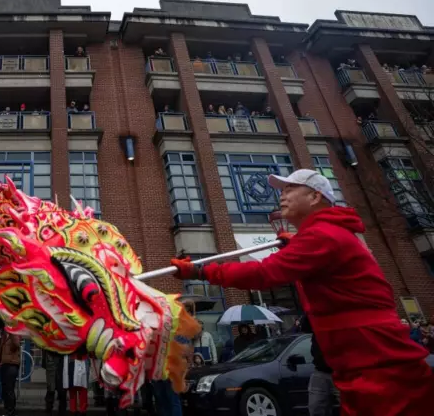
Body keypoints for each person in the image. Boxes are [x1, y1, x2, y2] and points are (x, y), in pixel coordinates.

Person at [170, 168, 434, 415]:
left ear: (315, 196)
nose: (282, 194)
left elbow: (265, 273)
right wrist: (296, 244)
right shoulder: (324, 234)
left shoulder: (322, 235)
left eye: (290, 188)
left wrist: (201, 271)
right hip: (358, 355)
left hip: (373, 355)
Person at [302, 316, 340, 416]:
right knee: (316, 408)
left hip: (342, 370)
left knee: (353, 408)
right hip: (320, 370)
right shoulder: (316, 308)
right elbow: (305, 327)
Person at [0, 327, 21, 416]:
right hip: (4, 364)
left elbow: (16, 345)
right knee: (5, 389)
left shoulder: (15, 335)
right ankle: (7, 409)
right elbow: (0, 349)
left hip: (12, 365)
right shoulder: (3, 336)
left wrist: (11, 333)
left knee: (9, 389)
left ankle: (10, 411)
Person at [43, 349, 66, 416]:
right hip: (54, 358)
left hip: (56, 359)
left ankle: (50, 410)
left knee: (57, 389)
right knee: (52, 388)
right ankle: (50, 409)